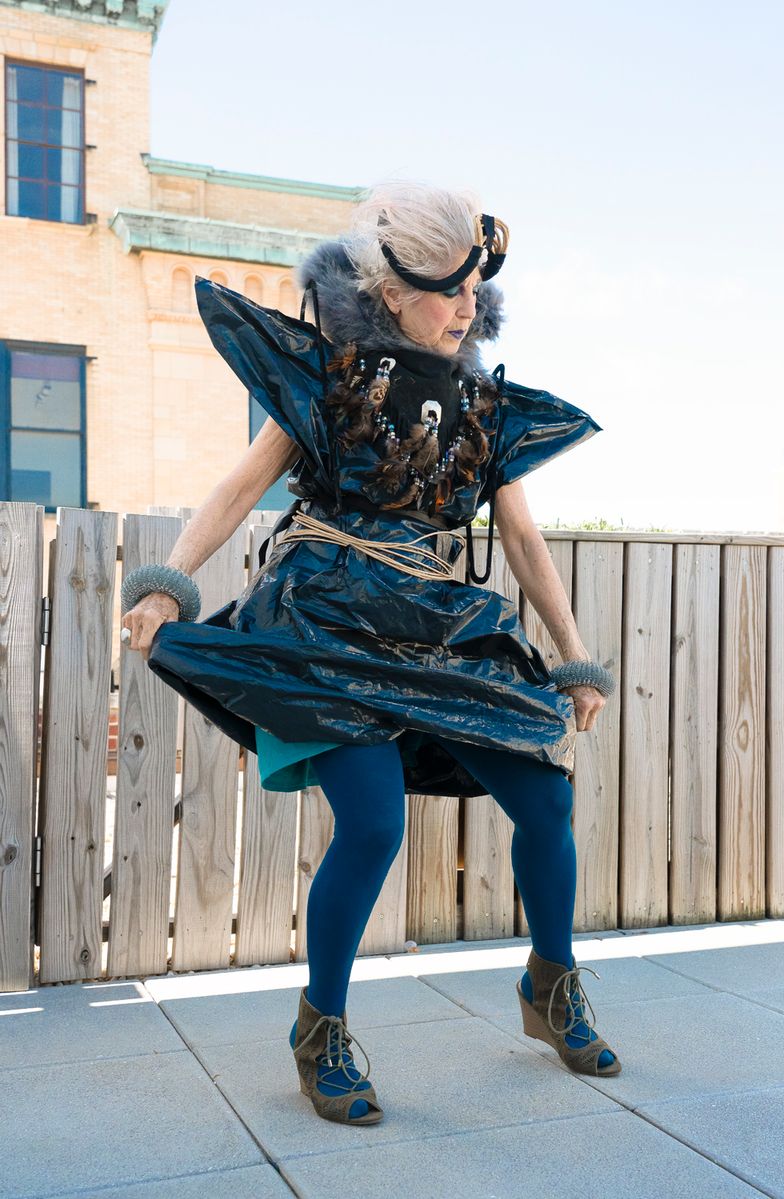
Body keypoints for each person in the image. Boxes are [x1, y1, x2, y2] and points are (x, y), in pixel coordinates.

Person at [120, 180, 621, 1127]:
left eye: (479, 289)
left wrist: (575, 656)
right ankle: (322, 1027)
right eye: (449, 288)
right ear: (391, 291)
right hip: (332, 623)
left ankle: (549, 985)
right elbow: (239, 486)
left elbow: (520, 538)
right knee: (373, 824)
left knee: (544, 797)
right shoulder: (332, 376)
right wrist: (167, 580)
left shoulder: (481, 404)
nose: (469, 306)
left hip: (438, 624)